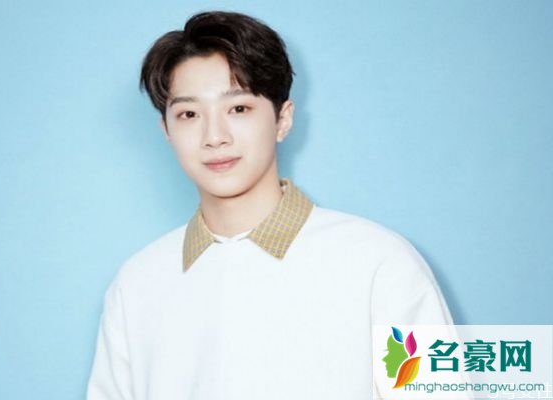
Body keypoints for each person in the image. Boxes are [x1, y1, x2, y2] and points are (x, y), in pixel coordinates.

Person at [86, 10, 453, 400]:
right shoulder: (137, 284)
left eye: (238, 109)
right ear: (167, 131)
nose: (215, 136)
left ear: (282, 119)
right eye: (189, 114)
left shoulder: (379, 263)